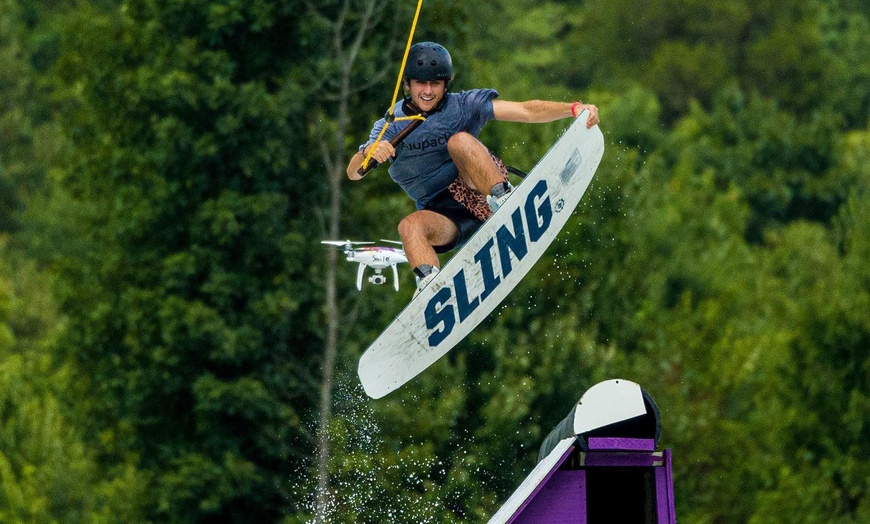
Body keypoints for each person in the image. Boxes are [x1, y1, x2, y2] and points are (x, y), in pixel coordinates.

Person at [346, 41, 599, 294]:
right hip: (444, 215)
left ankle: (505, 200)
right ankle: (431, 288)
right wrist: (368, 152)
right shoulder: (390, 125)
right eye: (420, 83)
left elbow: (525, 110)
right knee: (409, 226)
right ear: (408, 85)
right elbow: (353, 173)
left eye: (435, 83)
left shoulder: (464, 105)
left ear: (446, 85)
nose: (427, 90)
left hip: (478, 189)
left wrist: (573, 109)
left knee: (459, 141)